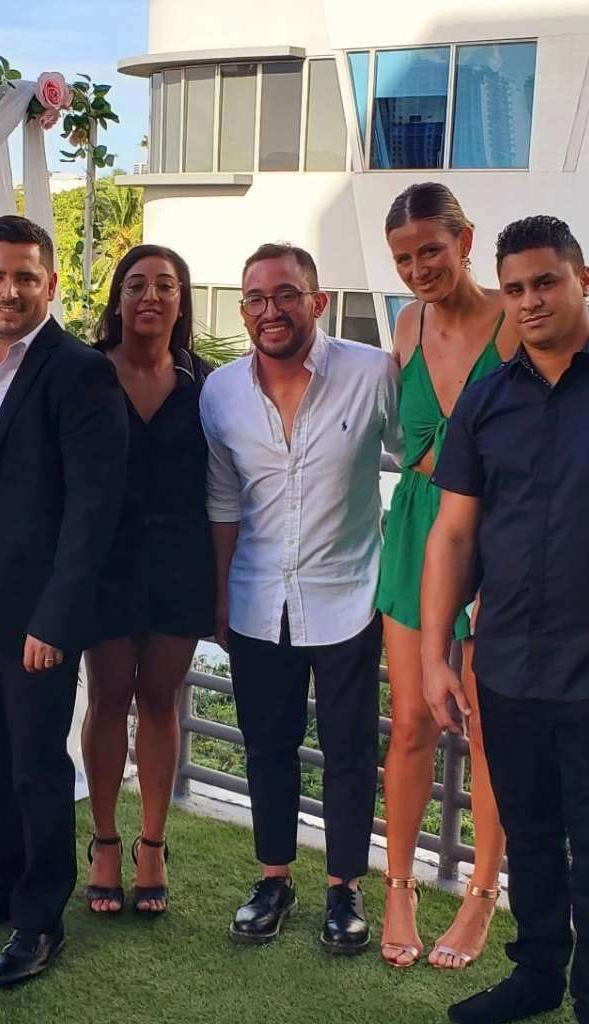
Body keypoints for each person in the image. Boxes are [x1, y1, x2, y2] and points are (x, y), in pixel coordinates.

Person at [0, 215, 128, 987]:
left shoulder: (78, 371)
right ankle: (4, 882)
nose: (9, 289)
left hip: (34, 610)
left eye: (25, 276)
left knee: (38, 764)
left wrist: (55, 617)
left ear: (49, 284)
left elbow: (94, 507)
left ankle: (39, 918)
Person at [201, 242, 400, 954]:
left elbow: (421, 463)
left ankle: (344, 887)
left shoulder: (373, 373)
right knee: (267, 748)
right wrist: (221, 596)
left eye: (285, 294)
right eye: (255, 298)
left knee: (349, 752)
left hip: (350, 596)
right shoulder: (219, 392)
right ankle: (274, 877)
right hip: (257, 600)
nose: (269, 309)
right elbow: (223, 500)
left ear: (316, 301)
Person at [422, 215, 589, 1024]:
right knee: (529, 834)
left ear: (581, 280)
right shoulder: (487, 400)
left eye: (545, 282)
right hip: (512, 666)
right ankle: (536, 977)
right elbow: (454, 534)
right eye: (515, 287)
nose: (529, 301)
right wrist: (433, 656)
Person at [377, 183, 516, 970]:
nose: (420, 267)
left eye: (432, 248)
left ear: (466, 240)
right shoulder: (406, 324)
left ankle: (480, 896)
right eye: (404, 257)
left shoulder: (516, 316)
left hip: (504, 539)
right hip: (419, 533)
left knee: (493, 732)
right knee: (410, 724)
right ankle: (398, 885)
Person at [82, 244, 214, 916]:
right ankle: (104, 841)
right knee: (107, 696)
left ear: (181, 300)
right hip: (102, 564)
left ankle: (153, 844)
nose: (151, 296)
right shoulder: (86, 374)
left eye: (166, 284)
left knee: (160, 700)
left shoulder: (204, 381)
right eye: (137, 285)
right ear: (118, 299)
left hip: (177, 562)